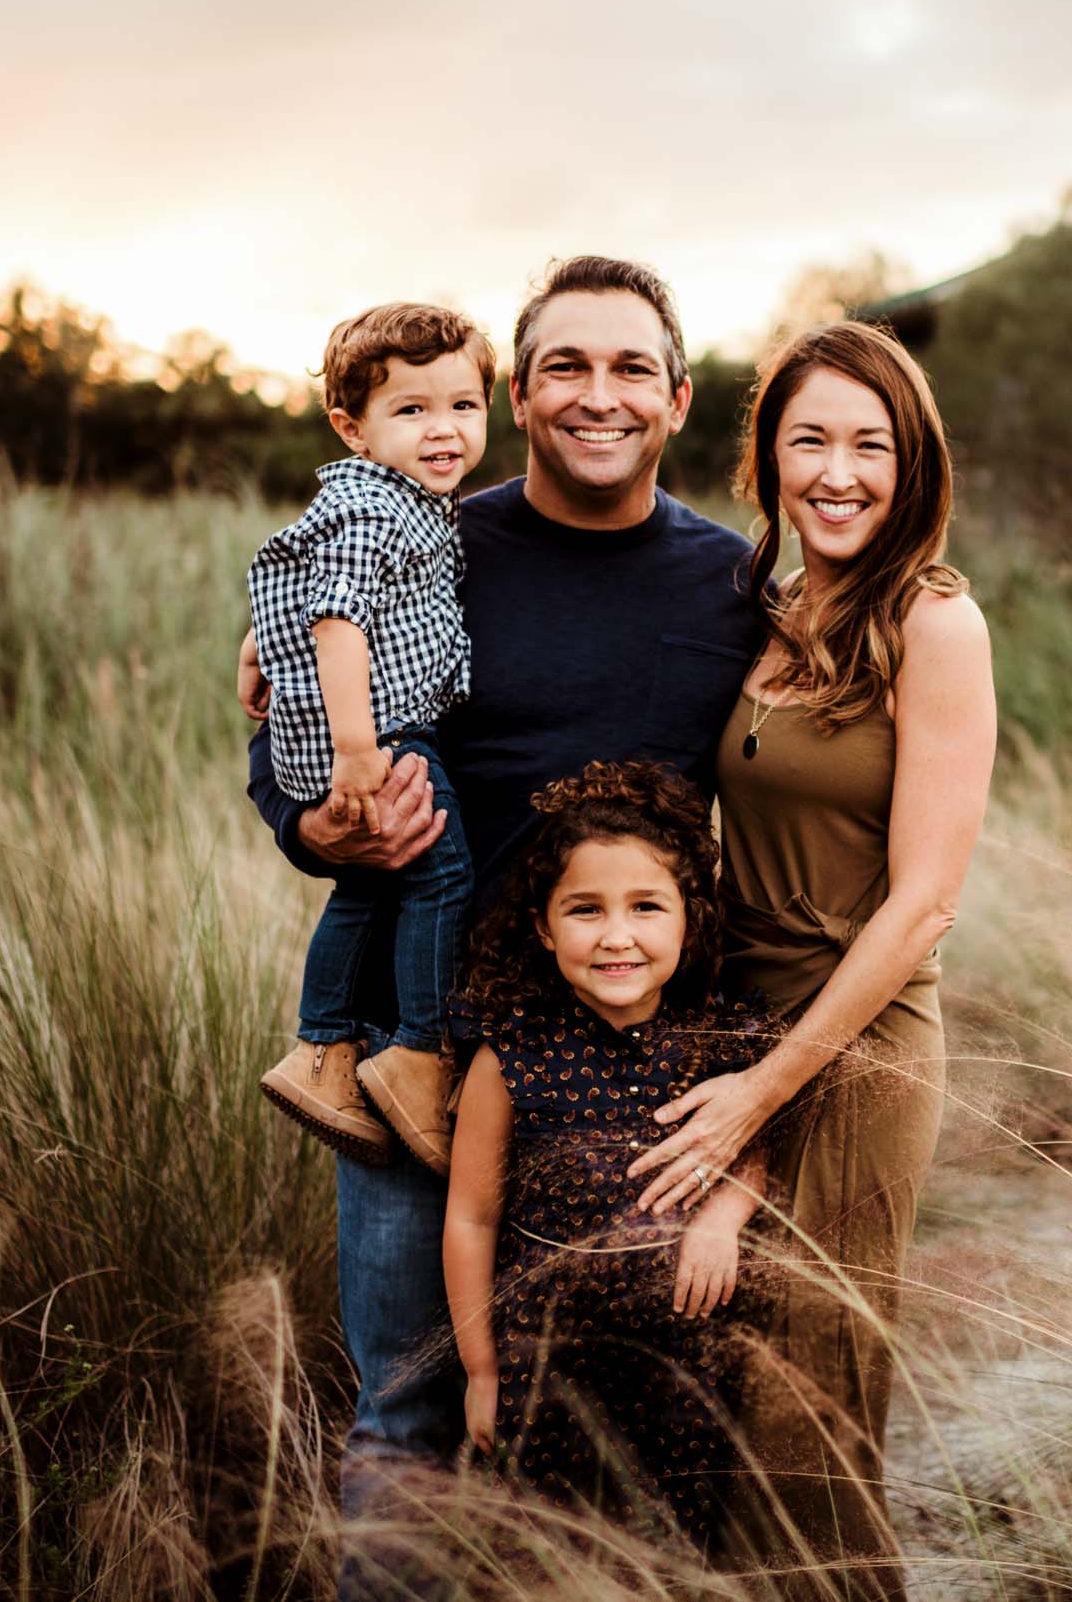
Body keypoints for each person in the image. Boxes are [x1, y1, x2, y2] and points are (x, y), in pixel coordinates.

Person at [239, 257, 758, 1497]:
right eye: (564, 368)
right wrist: (321, 831)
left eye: (632, 367)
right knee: (411, 1415)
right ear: (516, 398)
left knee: (633, 1411)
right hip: (420, 1054)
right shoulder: (424, 541)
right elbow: (289, 754)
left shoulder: (732, 582)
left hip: (634, 1066)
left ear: (678, 400)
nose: (600, 396)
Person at [623, 319, 995, 1599]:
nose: (839, 473)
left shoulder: (930, 624)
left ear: (913, 465)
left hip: (860, 1046)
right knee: (722, 1397)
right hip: (740, 1026)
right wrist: (285, 642)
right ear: (768, 459)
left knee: (808, 1413)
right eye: (810, 441)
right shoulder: (772, 611)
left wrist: (761, 1096)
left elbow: (922, 907)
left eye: (869, 444)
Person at [442, 761, 772, 1550]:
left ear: (687, 919)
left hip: (683, 1370)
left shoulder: (717, 1041)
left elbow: (752, 1149)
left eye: (646, 906)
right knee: (549, 1552)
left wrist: (723, 1217)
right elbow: (470, 1214)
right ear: (544, 927)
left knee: (673, 1553)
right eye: (585, 909)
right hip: (544, 1368)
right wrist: (482, 1369)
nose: (617, 934)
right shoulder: (513, 1053)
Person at [247, 303, 490, 1173]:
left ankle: (322, 1052)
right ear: (353, 428)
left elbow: (302, 574)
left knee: (373, 885)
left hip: (381, 721)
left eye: (464, 406)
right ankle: (416, 1052)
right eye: (412, 409)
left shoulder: (408, 500)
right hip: (382, 729)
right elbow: (339, 611)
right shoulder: (374, 507)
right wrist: (358, 749)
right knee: (442, 873)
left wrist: (256, 637)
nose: (444, 430)